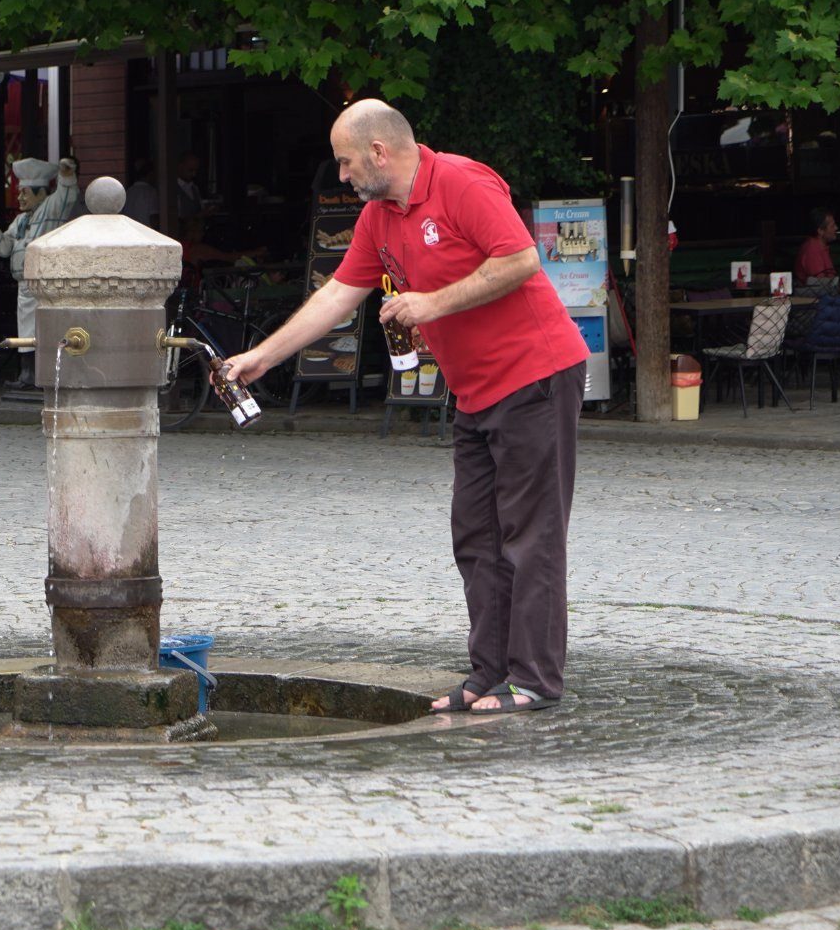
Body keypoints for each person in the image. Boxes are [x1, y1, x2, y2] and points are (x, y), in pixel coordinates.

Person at [225, 99, 587, 714]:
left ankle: (534, 681)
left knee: (531, 537)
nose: (340, 176)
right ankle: (487, 674)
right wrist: (264, 356)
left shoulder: (461, 183)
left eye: (344, 163)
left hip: (536, 377)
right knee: (476, 536)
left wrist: (432, 303)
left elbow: (522, 258)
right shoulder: (379, 217)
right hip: (475, 391)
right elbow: (338, 294)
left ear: (378, 152)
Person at [0, 156, 81, 393]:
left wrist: (66, 175)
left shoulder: (50, 209)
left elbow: (66, 196)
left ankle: (44, 375)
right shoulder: (20, 219)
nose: (20, 197)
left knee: (47, 328)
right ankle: (29, 374)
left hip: (45, 282)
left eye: (25, 193)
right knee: (26, 329)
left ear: (41, 195)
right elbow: (5, 247)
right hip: (25, 284)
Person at [796, 207, 839, 284]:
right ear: (820, 231)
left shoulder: (820, 246)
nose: (836, 228)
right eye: (832, 226)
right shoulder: (812, 250)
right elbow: (821, 286)